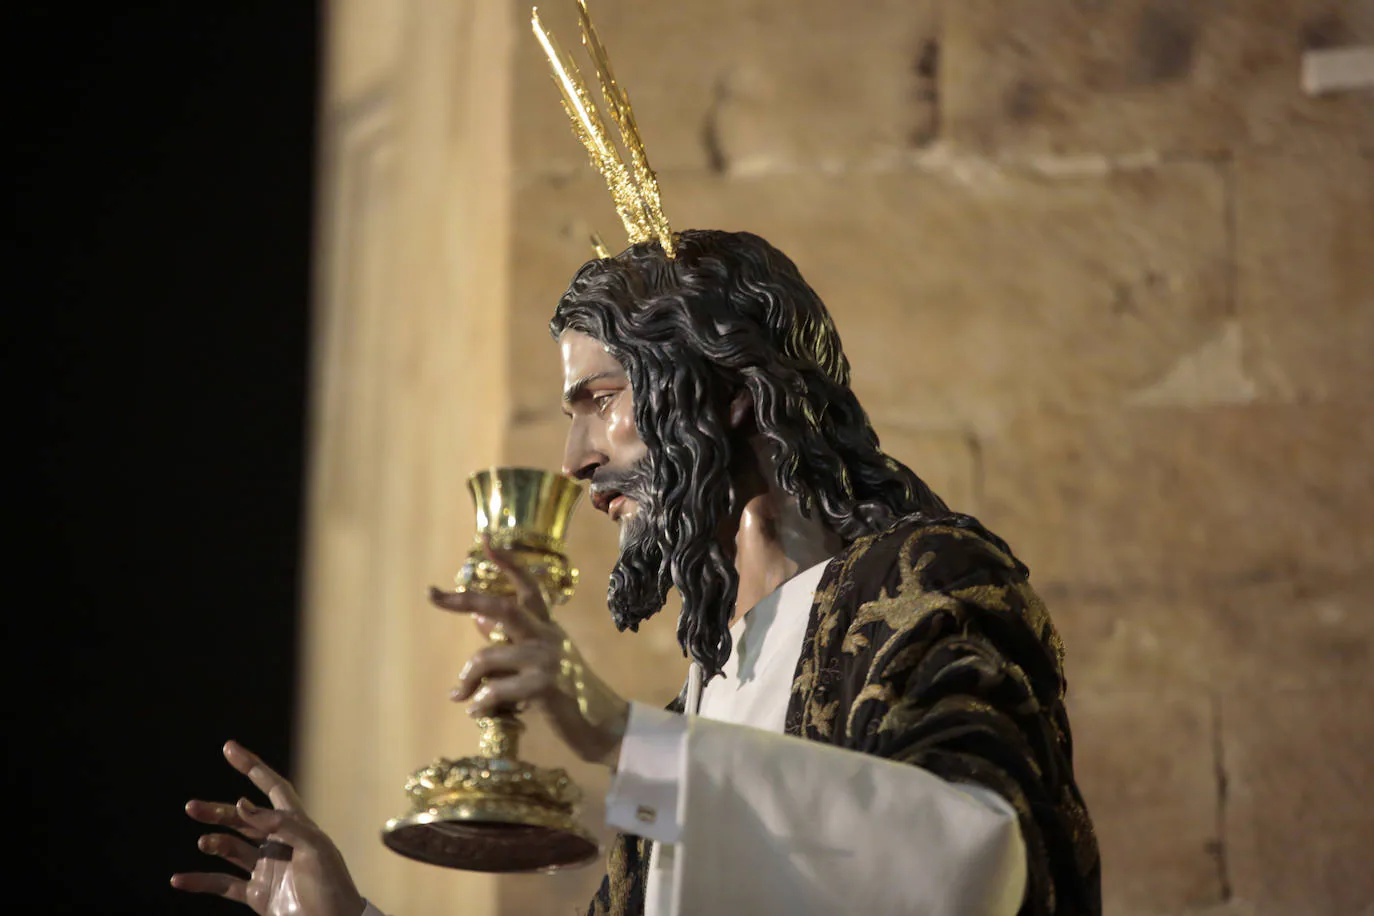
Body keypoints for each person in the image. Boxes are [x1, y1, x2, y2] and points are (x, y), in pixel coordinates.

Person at [173, 229, 1101, 915]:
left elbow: (980, 864)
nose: (575, 459)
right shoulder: (704, 703)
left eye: (602, 399)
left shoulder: (920, 587)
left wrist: (621, 733)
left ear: (729, 393)